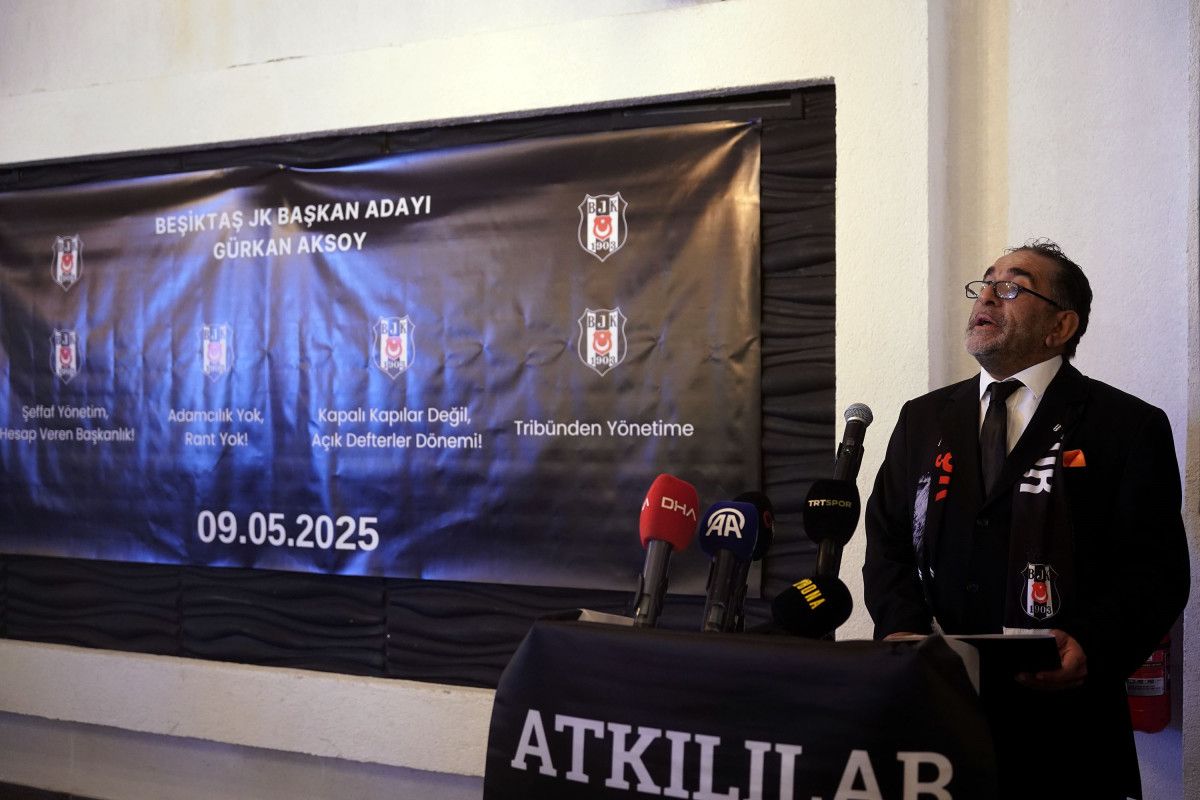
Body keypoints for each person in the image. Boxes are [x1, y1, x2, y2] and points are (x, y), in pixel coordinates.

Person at [862, 239, 1189, 798]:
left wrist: (1092, 643)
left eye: (1012, 287)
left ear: (1061, 326)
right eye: (985, 283)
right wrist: (900, 629)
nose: (986, 296)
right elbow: (888, 540)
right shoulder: (923, 418)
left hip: (1065, 729)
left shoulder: (1126, 425)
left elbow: (1155, 570)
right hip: (936, 718)